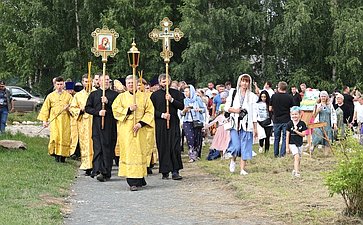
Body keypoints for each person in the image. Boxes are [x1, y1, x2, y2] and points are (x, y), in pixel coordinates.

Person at [112, 75, 154, 191]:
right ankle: (132, 181)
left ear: (137, 84)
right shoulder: (121, 97)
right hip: (126, 130)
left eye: (133, 82)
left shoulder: (144, 97)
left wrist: (141, 123)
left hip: (140, 129)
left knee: (140, 152)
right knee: (129, 153)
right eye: (129, 83)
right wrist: (128, 110)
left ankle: (140, 177)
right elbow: (115, 110)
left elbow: (150, 112)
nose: (131, 84)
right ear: (126, 84)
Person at [150, 73, 185, 180]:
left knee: (174, 147)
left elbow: (181, 106)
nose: (165, 83)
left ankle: (175, 170)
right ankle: (165, 171)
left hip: (173, 121)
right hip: (161, 123)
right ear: (160, 83)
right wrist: (162, 115)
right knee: (163, 146)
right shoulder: (154, 95)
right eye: (163, 81)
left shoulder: (176, 93)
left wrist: (171, 100)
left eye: (167, 81)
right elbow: (151, 111)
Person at [85, 74, 118, 182]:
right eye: (104, 80)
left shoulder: (115, 95)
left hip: (109, 125)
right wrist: (98, 112)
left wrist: (108, 103)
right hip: (97, 125)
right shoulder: (94, 94)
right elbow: (88, 108)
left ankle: (106, 172)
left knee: (107, 148)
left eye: (108, 80)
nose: (106, 82)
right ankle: (97, 170)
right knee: (98, 147)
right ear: (99, 82)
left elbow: (118, 109)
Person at [224, 74, 258, 175]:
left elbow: (254, 113)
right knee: (237, 146)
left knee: (246, 146)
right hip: (235, 124)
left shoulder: (252, 96)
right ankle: (233, 160)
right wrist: (236, 110)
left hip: (247, 125)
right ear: (240, 82)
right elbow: (226, 108)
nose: (245, 83)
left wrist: (255, 128)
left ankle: (242, 169)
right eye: (243, 81)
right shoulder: (233, 93)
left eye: (247, 81)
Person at [37, 76, 72, 162]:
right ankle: (55, 155)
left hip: (65, 121)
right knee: (55, 137)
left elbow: (74, 108)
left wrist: (68, 108)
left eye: (61, 84)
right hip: (55, 120)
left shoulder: (68, 96)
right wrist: (44, 121)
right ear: (55, 85)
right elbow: (45, 108)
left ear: (64, 84)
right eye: (58, 84)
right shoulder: (50, 96)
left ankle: (63, 156)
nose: (59, 86)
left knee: (65, 138)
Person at [69, 74, 93, 176]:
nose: (87, 83)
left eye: (89, 81)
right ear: (82, 82)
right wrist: (80, 110)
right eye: (85, 81)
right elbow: (72, 108)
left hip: (95, 121)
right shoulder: (78, 95)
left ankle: (97, 165)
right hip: (83, 122)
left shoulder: (96, 93)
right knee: (85, 144)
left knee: (96, 144)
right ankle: (87, 166)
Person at [180, 85, 206, 163]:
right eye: (185, 91)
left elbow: (204, 109)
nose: (186, 93)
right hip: (187, 121)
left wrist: (199, 110)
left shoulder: (197, 99)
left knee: (197, 138)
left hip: (196, 120)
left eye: (187, 91)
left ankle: (197, 154)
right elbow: (181, 113)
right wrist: (185, 110)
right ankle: (191, 156)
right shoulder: (184, 100)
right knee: (189, 138)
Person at [270, 81, 293, 157]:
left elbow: (270, 108)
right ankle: (282, 154)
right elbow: (292, 108)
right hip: (286, 119)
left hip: (276, 119)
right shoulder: (289, 97)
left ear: (279, 87)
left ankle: (275, 154)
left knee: (276, 138)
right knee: (284, 138)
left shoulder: (274, 96)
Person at [286, 106, 307, 177]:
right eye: (293, 114)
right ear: (290, 115)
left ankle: (295, 169)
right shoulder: (289, 124)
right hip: (292, 143)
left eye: (296, 114)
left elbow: (303, 134)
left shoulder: (302, 124)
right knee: (296, 156)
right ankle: (297, 172)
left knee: (299, 158)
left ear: (299, 114)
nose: (294, 116)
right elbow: (287, 136)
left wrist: (297, 131)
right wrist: (287, 147)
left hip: (300, 143)